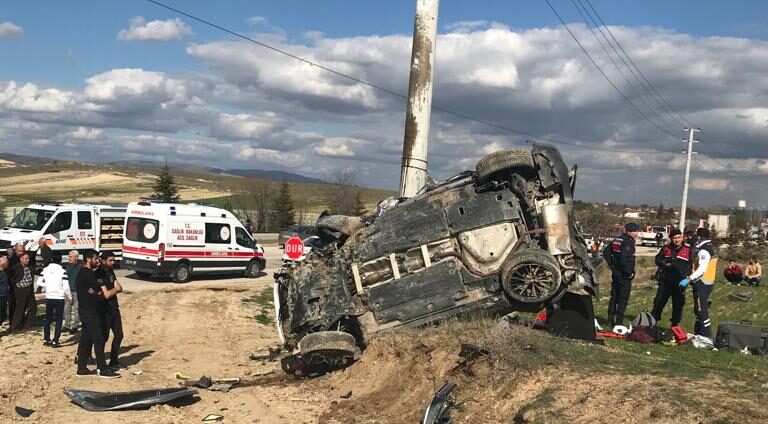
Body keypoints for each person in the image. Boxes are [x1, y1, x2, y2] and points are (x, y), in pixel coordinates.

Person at [75, 251, 121, 378]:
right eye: (95, 259)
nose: (97, 261)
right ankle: (102, 368)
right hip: (90, 312)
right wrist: (102, 293)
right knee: (99, 339)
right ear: (88, 259)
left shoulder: (83, 273)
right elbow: (100, 292)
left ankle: (81, 368)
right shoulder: (88, 273)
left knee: (86, 339)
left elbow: (92, 291)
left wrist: (97, 293)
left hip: (85, 311)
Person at [680, 228, 718, 347]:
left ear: (700, 237)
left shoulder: (704, 251)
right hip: (708, 282)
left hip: (702, 283)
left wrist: (689, 278)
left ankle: (706, 337)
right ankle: (699, 333)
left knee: (702, 310)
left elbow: (702, 269)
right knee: (698, 310)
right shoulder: (712, 248)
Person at [651, 229, 691, 326]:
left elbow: (692, 265)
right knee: (658, 303)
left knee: (678, 305)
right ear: (671, 239)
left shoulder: (688, 249)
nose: (677, 240)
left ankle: (674, 326)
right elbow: (657, 259)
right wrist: (664, 264)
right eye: (674, 238)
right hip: (665, 282)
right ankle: (653, 323)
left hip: (680, 283)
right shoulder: (666, 248)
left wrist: (688, 277)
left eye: (679, 238)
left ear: (682, 237)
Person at [603, 222, 639, 327]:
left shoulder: (617, 239)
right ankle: (619, 322)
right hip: (624, 274)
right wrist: (629, 273)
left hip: (616, 273)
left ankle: (609, 320)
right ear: (629, 231)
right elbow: (625, 259)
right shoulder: (628, 242)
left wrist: (612, 265)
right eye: (635, 231)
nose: (636, 233)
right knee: (623, 298)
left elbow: (606, 252)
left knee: (614, 297)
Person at [96, 252, 124, 370]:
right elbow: (106, 295)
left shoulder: (111, 272)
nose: (113, 262)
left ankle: (114, 361)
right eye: (110, 260)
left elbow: (120, 288)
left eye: (114, 260)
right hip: (104, 310)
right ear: (103, 260)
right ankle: (101, 363)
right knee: (104, 337)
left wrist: (114, 289)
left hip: (114, 308)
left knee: (119, 335)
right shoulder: (98, 274)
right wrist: (115, 289)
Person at [38, 262, 72, 347]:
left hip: (49, 297)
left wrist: (48, 285)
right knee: (59, 320)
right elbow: (66, 286)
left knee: (48, 319)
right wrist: (70, 297)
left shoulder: (45, 270)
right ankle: (55, 341)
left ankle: (46, 339)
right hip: (59, 297)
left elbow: (39, 282)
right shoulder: (62, 271)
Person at [10, 252, 36, 332]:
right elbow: (12, 278)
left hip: (29, 289)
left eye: (28, 258)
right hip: (20, 290)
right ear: (21, 259)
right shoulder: (16, 267)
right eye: (26, 259)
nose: (27, 260)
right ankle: (15, 327)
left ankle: (26, 325)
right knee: (20, 309)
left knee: (33, 308)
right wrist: (15, 287)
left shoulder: (30, 267)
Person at [63, 250, 82, 334]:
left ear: (76, 257)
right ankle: (67, 325)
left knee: (77, 309)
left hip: (77, 291)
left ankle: (75, 326)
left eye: (71, 256)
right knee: (66, 308)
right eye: (69, 256)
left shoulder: (80, 267)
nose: (69, 258)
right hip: (67, 291)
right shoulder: (67, 266)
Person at [0, 257, 9, 328]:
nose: (8, 263)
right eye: (7, 262)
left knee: (3, 315)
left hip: (4, 295)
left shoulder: (4, 271)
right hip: (0, 296)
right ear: (3, 263)